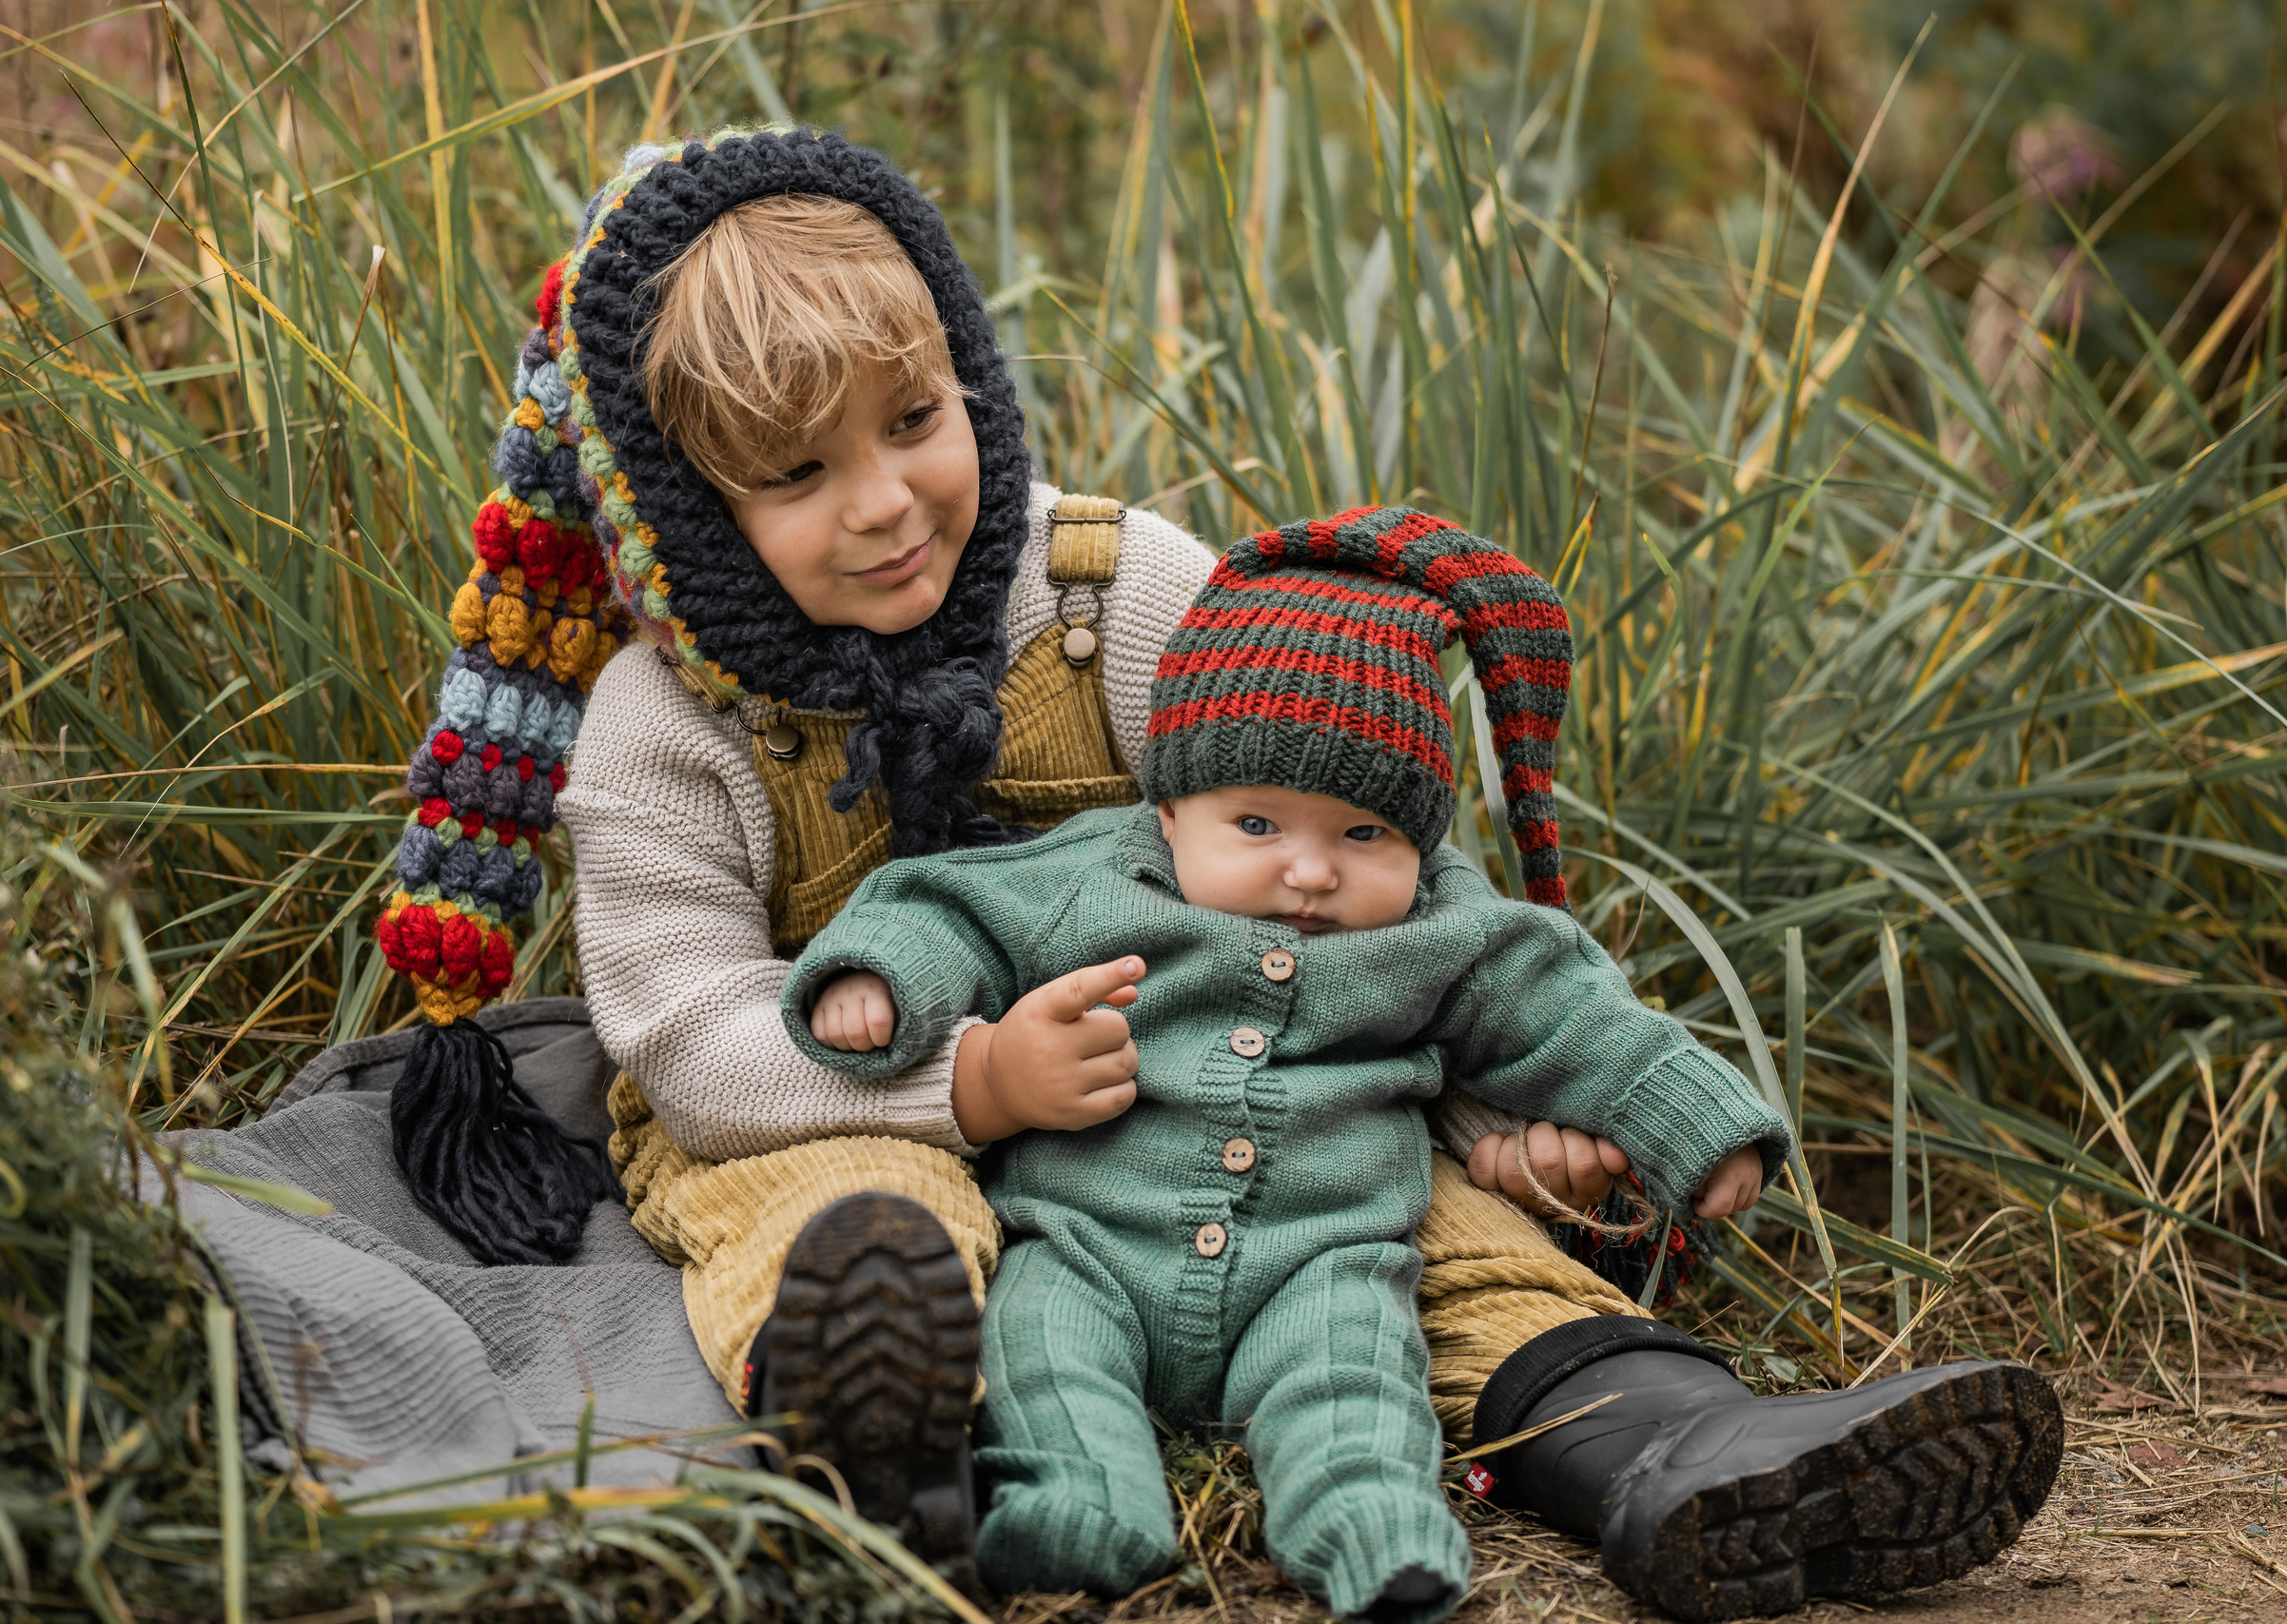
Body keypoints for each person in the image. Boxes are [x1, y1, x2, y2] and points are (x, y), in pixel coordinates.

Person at [373, 128, 2061, 1621]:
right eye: (800, 476)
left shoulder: (1117, 593)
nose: (887, 505)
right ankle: (885, 1447)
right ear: (682, 510)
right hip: (840, 1099)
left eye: (915, 422)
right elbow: (687, 1031)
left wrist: (1482, 1123)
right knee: (849, 1225)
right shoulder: (665, 727)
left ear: (971, 374)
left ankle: (1666, 1445)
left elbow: (1373, 879)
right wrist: (969, 1082)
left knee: (1420, 1232)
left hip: (1255, 1079)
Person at [780, 508, 2063, 1621]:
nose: (1310, 869)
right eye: (1258, 825)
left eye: (1363, 833)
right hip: (1088, 1239)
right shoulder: (1095, 874)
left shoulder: (1447, 927)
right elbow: (944, 902)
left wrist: (1693, 1124)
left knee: (1356, 1384)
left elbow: (1572, 1012)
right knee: (1046, 1352)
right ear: (1168, 809)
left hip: (1324, 1259)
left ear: (1423, 840)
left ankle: (1374, 1533)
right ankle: (1082, 1505)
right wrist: (880, 980)